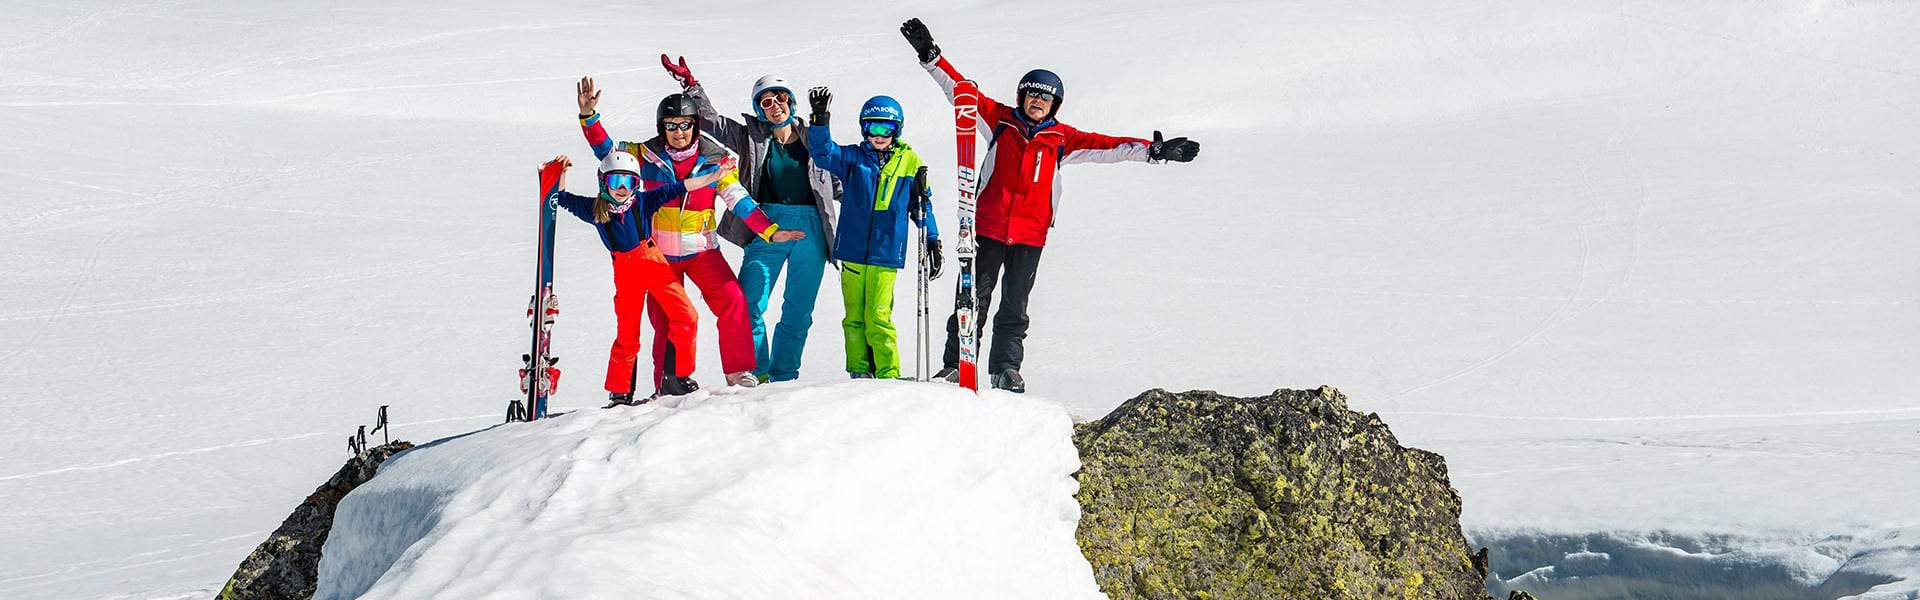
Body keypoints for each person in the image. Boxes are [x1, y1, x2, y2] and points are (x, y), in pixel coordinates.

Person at [899, 17, 1201, 393]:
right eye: (1032, 95)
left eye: (1045, 97)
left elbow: (1108, 147)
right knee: (971, 298)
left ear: (1054, 103)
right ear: (1022, 96)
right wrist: (930, 55)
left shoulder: (1061, 138)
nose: (1038, 101)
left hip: (1030, 235)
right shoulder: (999, 120)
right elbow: (959, 91)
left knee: (1015, 306)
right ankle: (955, 365)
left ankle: (1006, 368)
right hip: (988, 229)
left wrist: (1154, 151)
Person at [576, 77, 806, 394]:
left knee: (733, 300)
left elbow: (738, 199)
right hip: (659, 256)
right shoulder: (645, 155)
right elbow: (609, 155)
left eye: (685, 125)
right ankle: (666, 383)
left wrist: (769, 231)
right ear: (662, 128)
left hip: (702, 251)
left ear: (695, 125)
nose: (679, 133)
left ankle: (738, 372)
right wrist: (590, 118)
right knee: (667, 321)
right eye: (671, 126)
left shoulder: (716, 159)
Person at [659, 55, 841, 384]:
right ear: (760, 109)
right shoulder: (750, 137)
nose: (775, 106)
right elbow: (710, 121)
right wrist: (691, 85)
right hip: (767, 223)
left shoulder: (816, 139)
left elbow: (841, 179)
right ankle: (757, 374)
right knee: (749, 300)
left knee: (798, 310)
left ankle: (784, 377)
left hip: (812, 227)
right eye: (766, 101)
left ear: (792, 102)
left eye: (781, 98)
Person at [549, 152, 730, 403]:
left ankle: (675, 378)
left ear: (637, 185)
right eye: (615, 182)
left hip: (654, 265)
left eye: (629, 182)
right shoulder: (594, 209)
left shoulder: (644, 201)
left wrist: (712, 177)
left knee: (686, 316)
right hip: (626, 274)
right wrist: (561, 173)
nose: (622, 189)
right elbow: (562, 198)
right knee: (627, 335)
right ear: (603, 183)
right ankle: (620, 392)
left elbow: (681, 187)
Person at [805, 88, 943, 380]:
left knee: (878, 316)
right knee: (853, 318)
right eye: (872, 127)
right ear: (863, 128)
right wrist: (820, 120)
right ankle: (859, 371)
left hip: (886, 252)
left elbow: (922, 207)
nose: (878, 135)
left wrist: (932, 239)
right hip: (853, 252)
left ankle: (887, 374)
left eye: (886, 128)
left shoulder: (911, 162)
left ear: (897, 129)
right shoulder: (853, 157)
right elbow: (822, 153)